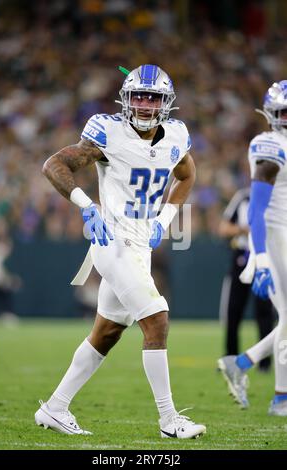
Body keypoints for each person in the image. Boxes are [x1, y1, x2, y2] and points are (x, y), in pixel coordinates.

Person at [35, 64, 206, 438]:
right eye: (138, 97)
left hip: (142, 241)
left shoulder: (176, 136)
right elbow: (55, 164)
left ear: (166, 103)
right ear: (126, 100)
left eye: (154, 97)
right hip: (111, 239)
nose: (145, 105)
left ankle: (55, 407)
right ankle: (168, 421)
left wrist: (166, 217)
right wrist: (87, 206)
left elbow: (187, 174)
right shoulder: (108, 131)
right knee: (157, 318)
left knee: (108, 331)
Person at [218, 80, 287, 416]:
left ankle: (242, 363)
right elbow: (257, 210)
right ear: (272, 115)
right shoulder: (270, 147)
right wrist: (259, 257)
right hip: (274, 237)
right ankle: (281, 398)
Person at [218, 188, 274, 371]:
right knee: (233, 312)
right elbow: (224, 228)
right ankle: (230, 358)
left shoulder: (277, 197)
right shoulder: (243, 197)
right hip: (242, 258)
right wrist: (244, 229)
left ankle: (264, 362)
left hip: (266, 259)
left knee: (265, 313)